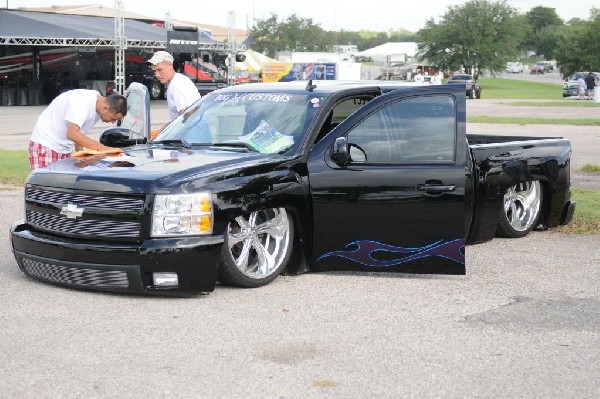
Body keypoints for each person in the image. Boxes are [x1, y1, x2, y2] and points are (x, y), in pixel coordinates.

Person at [28, 90, 127, 170]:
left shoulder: (97, 109)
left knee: (63, 189)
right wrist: (102, 148)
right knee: (48, 189)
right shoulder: (83, 101)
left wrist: (81, 158)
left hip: (64, 150)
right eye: (113, 118)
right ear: (106, 108)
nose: (112, 122)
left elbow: (79, 135)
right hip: (47, 146)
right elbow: (72, 134)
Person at [147, 50, 201, 121]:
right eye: (154, 71)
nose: (157, 75)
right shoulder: (177, 80)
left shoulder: (177, 85)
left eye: (160, 70)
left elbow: (186, 117)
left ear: (170, 65)